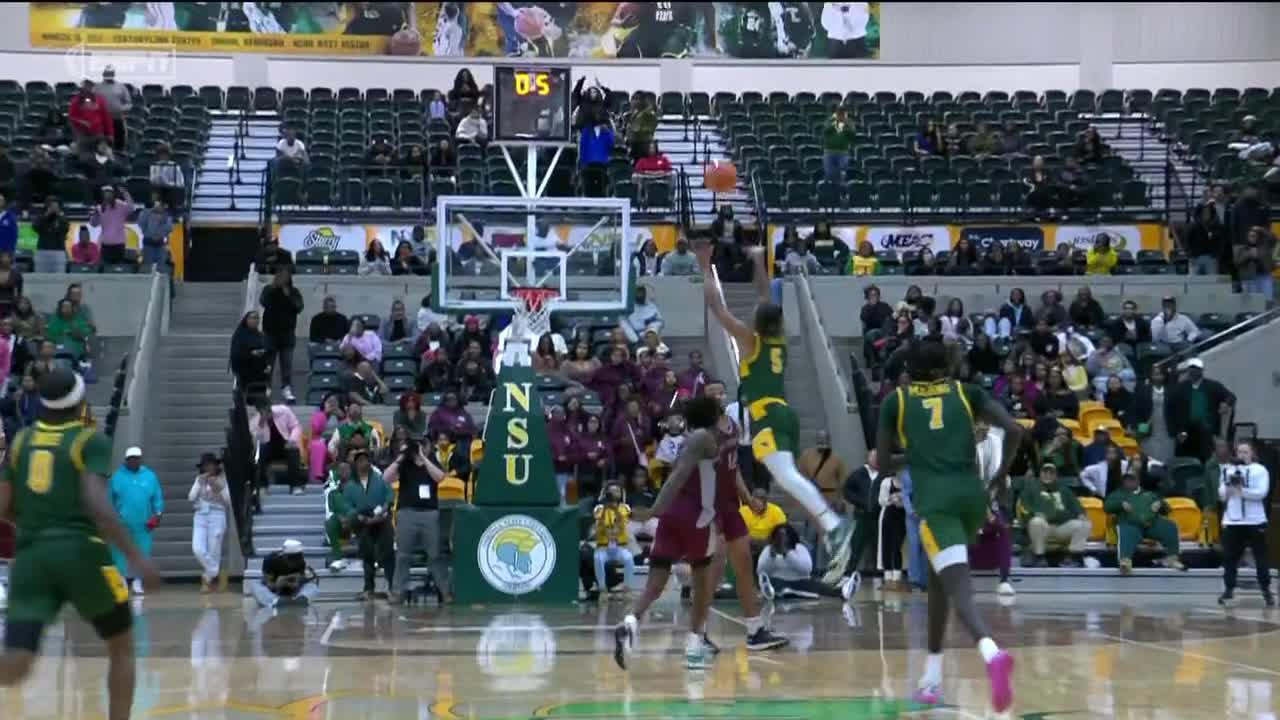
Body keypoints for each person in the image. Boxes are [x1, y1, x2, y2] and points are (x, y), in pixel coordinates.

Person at [0, 368, 160, 720]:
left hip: (30, 557)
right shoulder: (89, 440)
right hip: (81, 554)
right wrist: (137, 557)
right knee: (121, 646)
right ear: (79, 400)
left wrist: (37, 525)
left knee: (16, 662)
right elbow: (96, 501)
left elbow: (4, 506)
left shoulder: (22, 440)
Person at [875, 338, 1020, 712]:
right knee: (939, 585)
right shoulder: (966, 392)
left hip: (936, 503)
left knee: (959, 589)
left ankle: (992, 654)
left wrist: (919, 453)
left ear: (910, 369)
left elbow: (883, 462)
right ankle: (932, 678)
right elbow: (1015, 430)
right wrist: (1000, 476)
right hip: (972, 497)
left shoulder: (898, 401)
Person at [697, 241, 852, 557]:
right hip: (784, 413)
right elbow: (767, 296)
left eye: (755, 311)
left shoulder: (749, 341)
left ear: (758, 321)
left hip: (766, 415)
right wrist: (757, 260)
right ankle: (831, 524)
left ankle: (834, 525)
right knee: (787, 475)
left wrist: (704, 264)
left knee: (786, 477)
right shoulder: (777, 339)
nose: (753, 309)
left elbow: (715, 306)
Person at [614, 396, 785, 672]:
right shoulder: (707, 439)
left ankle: (631, 622)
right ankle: (695, 644)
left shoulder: (713, 434)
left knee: (656, 584)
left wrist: (746, 497)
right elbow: (678, 475)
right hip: (701, 515)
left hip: (679, 513)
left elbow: (729, 468)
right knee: (705, 581)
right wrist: (653, 510)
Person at [383, 438, 449, 605]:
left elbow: (440, 477)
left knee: (435, 555)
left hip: (430, 514)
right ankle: (398, 592)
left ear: (428, 447)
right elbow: (386, 478)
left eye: (422, 445)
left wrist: (423, 458)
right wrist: (401, 456)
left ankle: (446, 591)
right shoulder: (404, 465)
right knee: (403, 556)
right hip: (407, 513)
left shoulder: (432, 463)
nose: (419, 449)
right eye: (417, 446)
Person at [1217, 440, 1273, 607]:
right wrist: (1228, 488)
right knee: (1229, 557)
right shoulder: (1228, 469)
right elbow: (1221, 495)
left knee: (1260, 556)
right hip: (1233, 520)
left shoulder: (1260, 470)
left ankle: (1266, 589)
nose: (1242, 455)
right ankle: (1228, 588)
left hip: (1254, 519)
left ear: (1252, 454)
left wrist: (1242, 491)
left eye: (1245, 452)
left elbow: (1261, 493)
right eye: (1239, 452)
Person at [1104, 471, 1185, 574]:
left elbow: (1167, 509)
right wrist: (1120, 504)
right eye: (1127, 480)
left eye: (1132, 479)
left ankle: (1172, 559)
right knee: (1125, 531)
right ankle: (1125, 563)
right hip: (1131, 524)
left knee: (1170, 526)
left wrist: (1160, 504)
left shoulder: (1149, 494)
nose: (1129, 482)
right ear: (1123, 481)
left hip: (1152, 524)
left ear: (1138, 481)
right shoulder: (1118, 494)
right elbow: (1107, 507)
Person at [108, 446, 163, 596]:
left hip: (143, 523)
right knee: (119, 552)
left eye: (136, 458)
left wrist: (157, 514)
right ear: (126, 460)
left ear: (140, 459)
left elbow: (157, 497)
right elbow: (109, 499)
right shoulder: (117, 477)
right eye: (131, 458)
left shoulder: (150, 476)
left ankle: (138, 582)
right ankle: (122, 581)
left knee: (143, 551)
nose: (134, 461)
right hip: (122, 523)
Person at [341, 449, 395, 601]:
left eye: (365, 460)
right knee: (367, 555)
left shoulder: (381, 479)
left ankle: (392, 588)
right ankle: (368, 588)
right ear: (355, 464)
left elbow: (389, 498)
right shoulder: (350, 486)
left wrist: (382, 513)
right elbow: (347, 506)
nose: (363, 463)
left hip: (382, 520)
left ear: (370, 462)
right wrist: (358, 516)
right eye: (359, 460)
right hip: (362, 523)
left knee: (388, 554)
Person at [1167, 358, 1235, 462]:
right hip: (1185, 431)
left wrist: (1226, 403)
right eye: (1191, 368)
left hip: (1207, 430)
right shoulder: (1180, 388)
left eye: (1196, 368)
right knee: (1186, 460)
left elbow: (1231, 396)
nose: (1193, 371)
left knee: (1206, 459)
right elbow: (1170, 409)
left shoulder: (1212, 385)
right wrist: (1176, 431)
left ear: (1201, 370)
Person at [258, 266, 304, 403]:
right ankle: (266, 388)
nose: (283, 278)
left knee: (287, 365)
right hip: (270, 333)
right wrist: (273, 287)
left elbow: (299, 307)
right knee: (268, 364)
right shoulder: (268, 289)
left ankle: (286, 389)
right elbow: (263, 302)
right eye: (280, 275)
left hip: (287, 334)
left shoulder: (294, 292)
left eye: (285, 275)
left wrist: (287, 295)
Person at [188, 452, 231, 593]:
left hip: (217, 514)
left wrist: (217, 488)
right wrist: (199, 483)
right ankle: (216, 571)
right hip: (200, 514)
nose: (208, 468)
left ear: (216, 465)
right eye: (206, 465)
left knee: (214, 549)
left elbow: (228, 501)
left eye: (211, 465)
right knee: (198, 548)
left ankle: (207, 580)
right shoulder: (199, 479)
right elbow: (191, 497)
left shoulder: (223, 478)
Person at [249, 395, 305, 495]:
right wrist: (261, 424)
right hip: (268, 447)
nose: (267, 413)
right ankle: (263, 486)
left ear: (270, 406)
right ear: (259, 411)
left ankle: (295, 486)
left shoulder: (284, 411)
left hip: (285, 444)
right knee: (260, 451)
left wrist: (292, 440)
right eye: (263, 411)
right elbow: (258, 440)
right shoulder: (255, 421)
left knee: (294, 450)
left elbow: (296, 426)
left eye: (268, 410)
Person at [591, 482, 636, 599]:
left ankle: (627, 589)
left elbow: (622, 524)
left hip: (620, 547)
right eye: (612, 491)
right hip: (603, 547)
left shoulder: (625, 508)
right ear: (606, 493)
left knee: (629, 558)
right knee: (598, 558)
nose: (614, 493)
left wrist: (615, 509)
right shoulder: (599, 508)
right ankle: (602, 589)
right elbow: (599, 525)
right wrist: (606, 507)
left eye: (617, 491)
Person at [252, 538, 316, 608]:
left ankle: (301, 599)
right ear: (284, 556)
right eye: (291, 559)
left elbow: (301, 580)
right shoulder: (270, 560)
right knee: (256, 585)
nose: (294, 562)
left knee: (312, 587)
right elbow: (267, 583)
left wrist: (296, 583)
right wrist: (278, 584)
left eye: (297, 558)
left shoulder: (301, 562)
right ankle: (274, 601)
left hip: (293, 592)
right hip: (273, 590)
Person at [88, 185, 131, 265]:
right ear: (103, 195)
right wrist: (95, 215)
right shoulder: (100, 207)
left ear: (113, 194)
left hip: (119, 244)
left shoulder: (120, 204)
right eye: (105, 193)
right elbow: (93, 224)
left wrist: (126, 193)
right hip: (105, 245)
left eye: (109, 193)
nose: (107, 195)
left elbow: (131, 208)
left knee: (119, 268)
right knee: (106, 270)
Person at [230, 311, 270, 392]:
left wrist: (263, 354)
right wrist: (251, 353)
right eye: (253, 318)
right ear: (247, 320)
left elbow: (266, 350)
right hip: (243, 367)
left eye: (257, 318)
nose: (255, 320)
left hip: (258, 367)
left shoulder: (260, 335)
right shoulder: (239, 335)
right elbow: (235, 353)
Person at [31, 196, 68, 274]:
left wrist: (57, 216)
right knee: (40, 277)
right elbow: (35, 227)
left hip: (58, 252)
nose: (54, 209)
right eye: (51, 207)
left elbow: (65, 229)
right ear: (47, 207)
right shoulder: (41, 218)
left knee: (59, 278)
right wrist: (47, 216)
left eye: (56, 207)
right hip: (42, 251)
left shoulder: (63, 219)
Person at [137, 193, 173, 272]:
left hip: (160, 244)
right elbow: (141, 224)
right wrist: (149, 211)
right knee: (147, 268)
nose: (156, 206)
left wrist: (161, 233)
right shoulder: (145, 213)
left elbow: (170, 228)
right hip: (148, 244)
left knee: (161, 268)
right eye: (155, 204)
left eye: (158, 204)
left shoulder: (166, 216)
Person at [821, 107, 856, 182]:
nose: (841, 116)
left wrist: (845, 127)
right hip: (829, 151)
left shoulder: (849, 122)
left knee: (842, 170)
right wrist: (835, 124)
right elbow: (825, 132)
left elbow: (853, 135)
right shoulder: (830, 121)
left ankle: (840, 187)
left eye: (842, 114)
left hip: (843, 152)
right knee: (829, 173)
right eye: (839, 114)